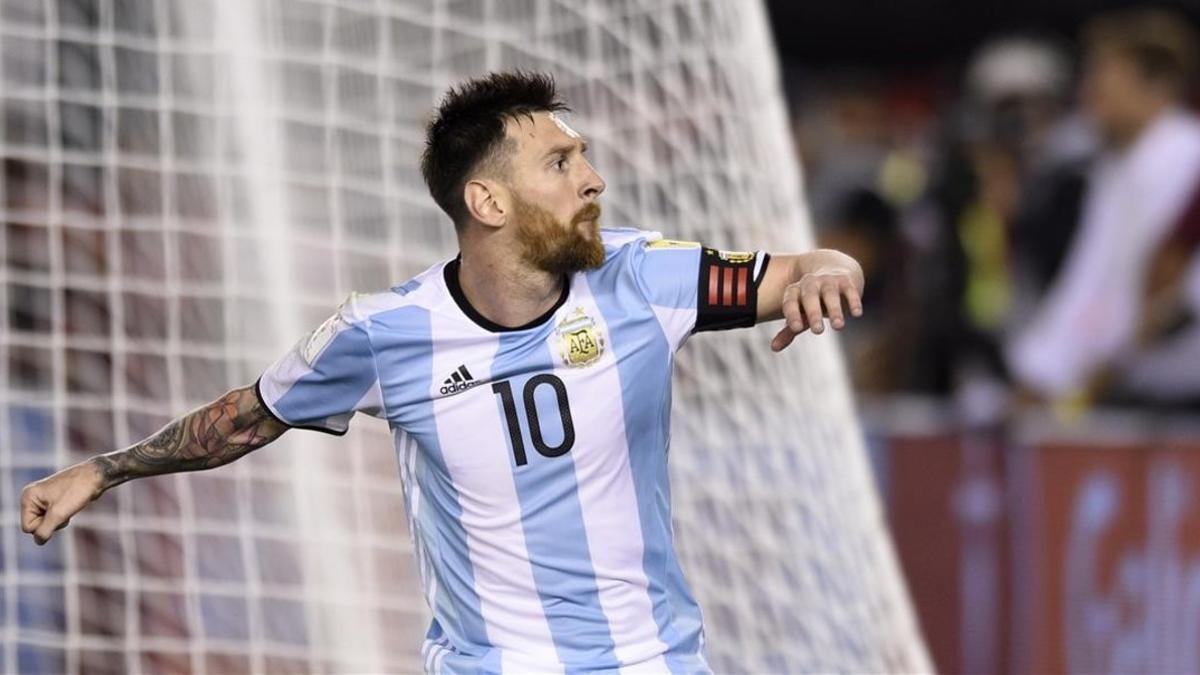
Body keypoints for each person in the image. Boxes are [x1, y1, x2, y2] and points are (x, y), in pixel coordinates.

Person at [20, 71, 864, 672]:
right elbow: (247, 417)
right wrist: (106, 467)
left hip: (653, 659)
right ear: (488, 203)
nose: (594, 179)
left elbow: (788, 270)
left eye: (584, 157)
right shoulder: (384, 332)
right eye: (561, 163)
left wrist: (830, 267)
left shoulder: (643, 275)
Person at [1006, 8, 1200, 410]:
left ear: (1156, 84)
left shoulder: (1186, 158)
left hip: (1183, 392)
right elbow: (1089, 283)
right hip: (1138, 391)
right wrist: (1039, 372)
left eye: (1104, 76)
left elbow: (1170, 292)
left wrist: (1069, 372)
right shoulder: (1117, 168)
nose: (1089, 93)